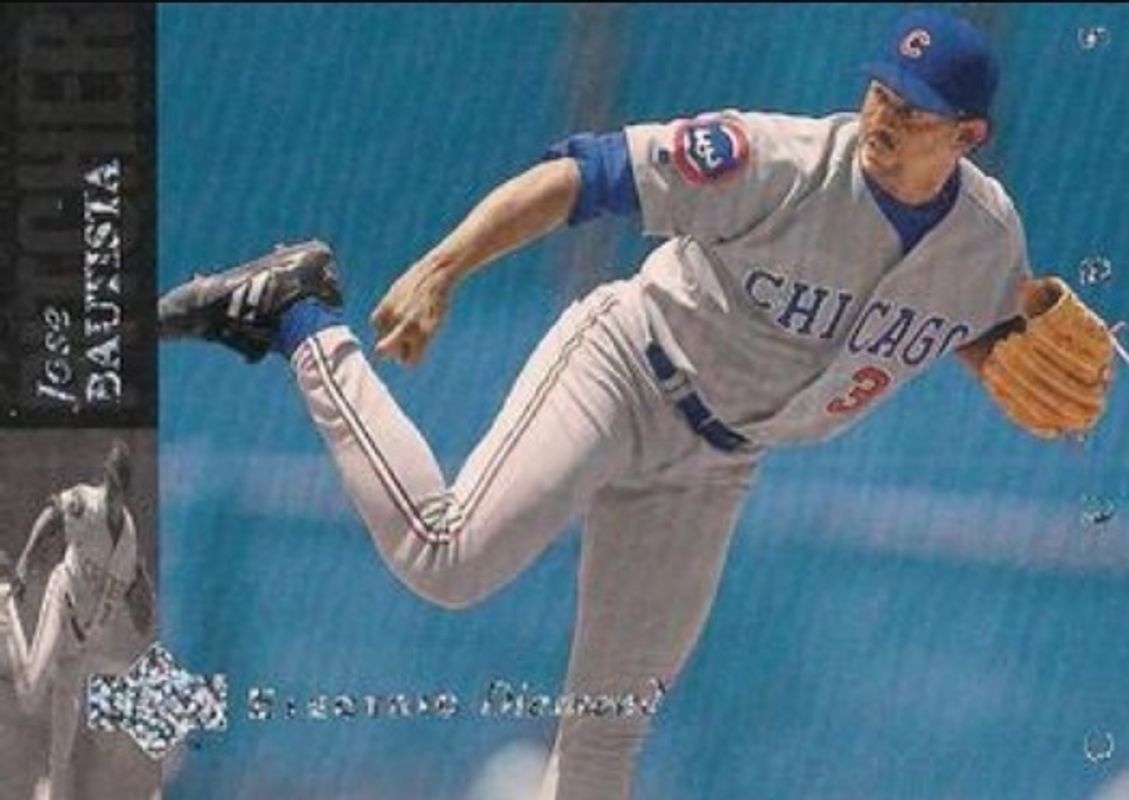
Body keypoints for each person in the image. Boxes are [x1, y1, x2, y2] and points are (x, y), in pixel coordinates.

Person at [157, 9, 1113, 799]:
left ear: (967, 136)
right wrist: (446, 265)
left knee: (607, 729)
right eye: (880, 92)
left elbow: (974, 323)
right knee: (447, 557)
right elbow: (588, 174)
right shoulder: (777, 160)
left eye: (914, 110)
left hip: (716, 462)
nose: (884, 116)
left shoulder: (985, 241)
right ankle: (299, 316)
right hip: (626, 369)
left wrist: (997, 356)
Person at [1, 440, 154, 800]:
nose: (113, 490)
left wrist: (141, 584)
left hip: (83, 638)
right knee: (29, 692)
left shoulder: (128, 542)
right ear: (107, 478)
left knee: (62, 750)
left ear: (125, 488)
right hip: (62, 601)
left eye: (119, 484)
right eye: (111, 480)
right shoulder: (88, 501)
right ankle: (3, 605)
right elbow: (51, 515)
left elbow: (142, 620)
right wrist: (24, 562)